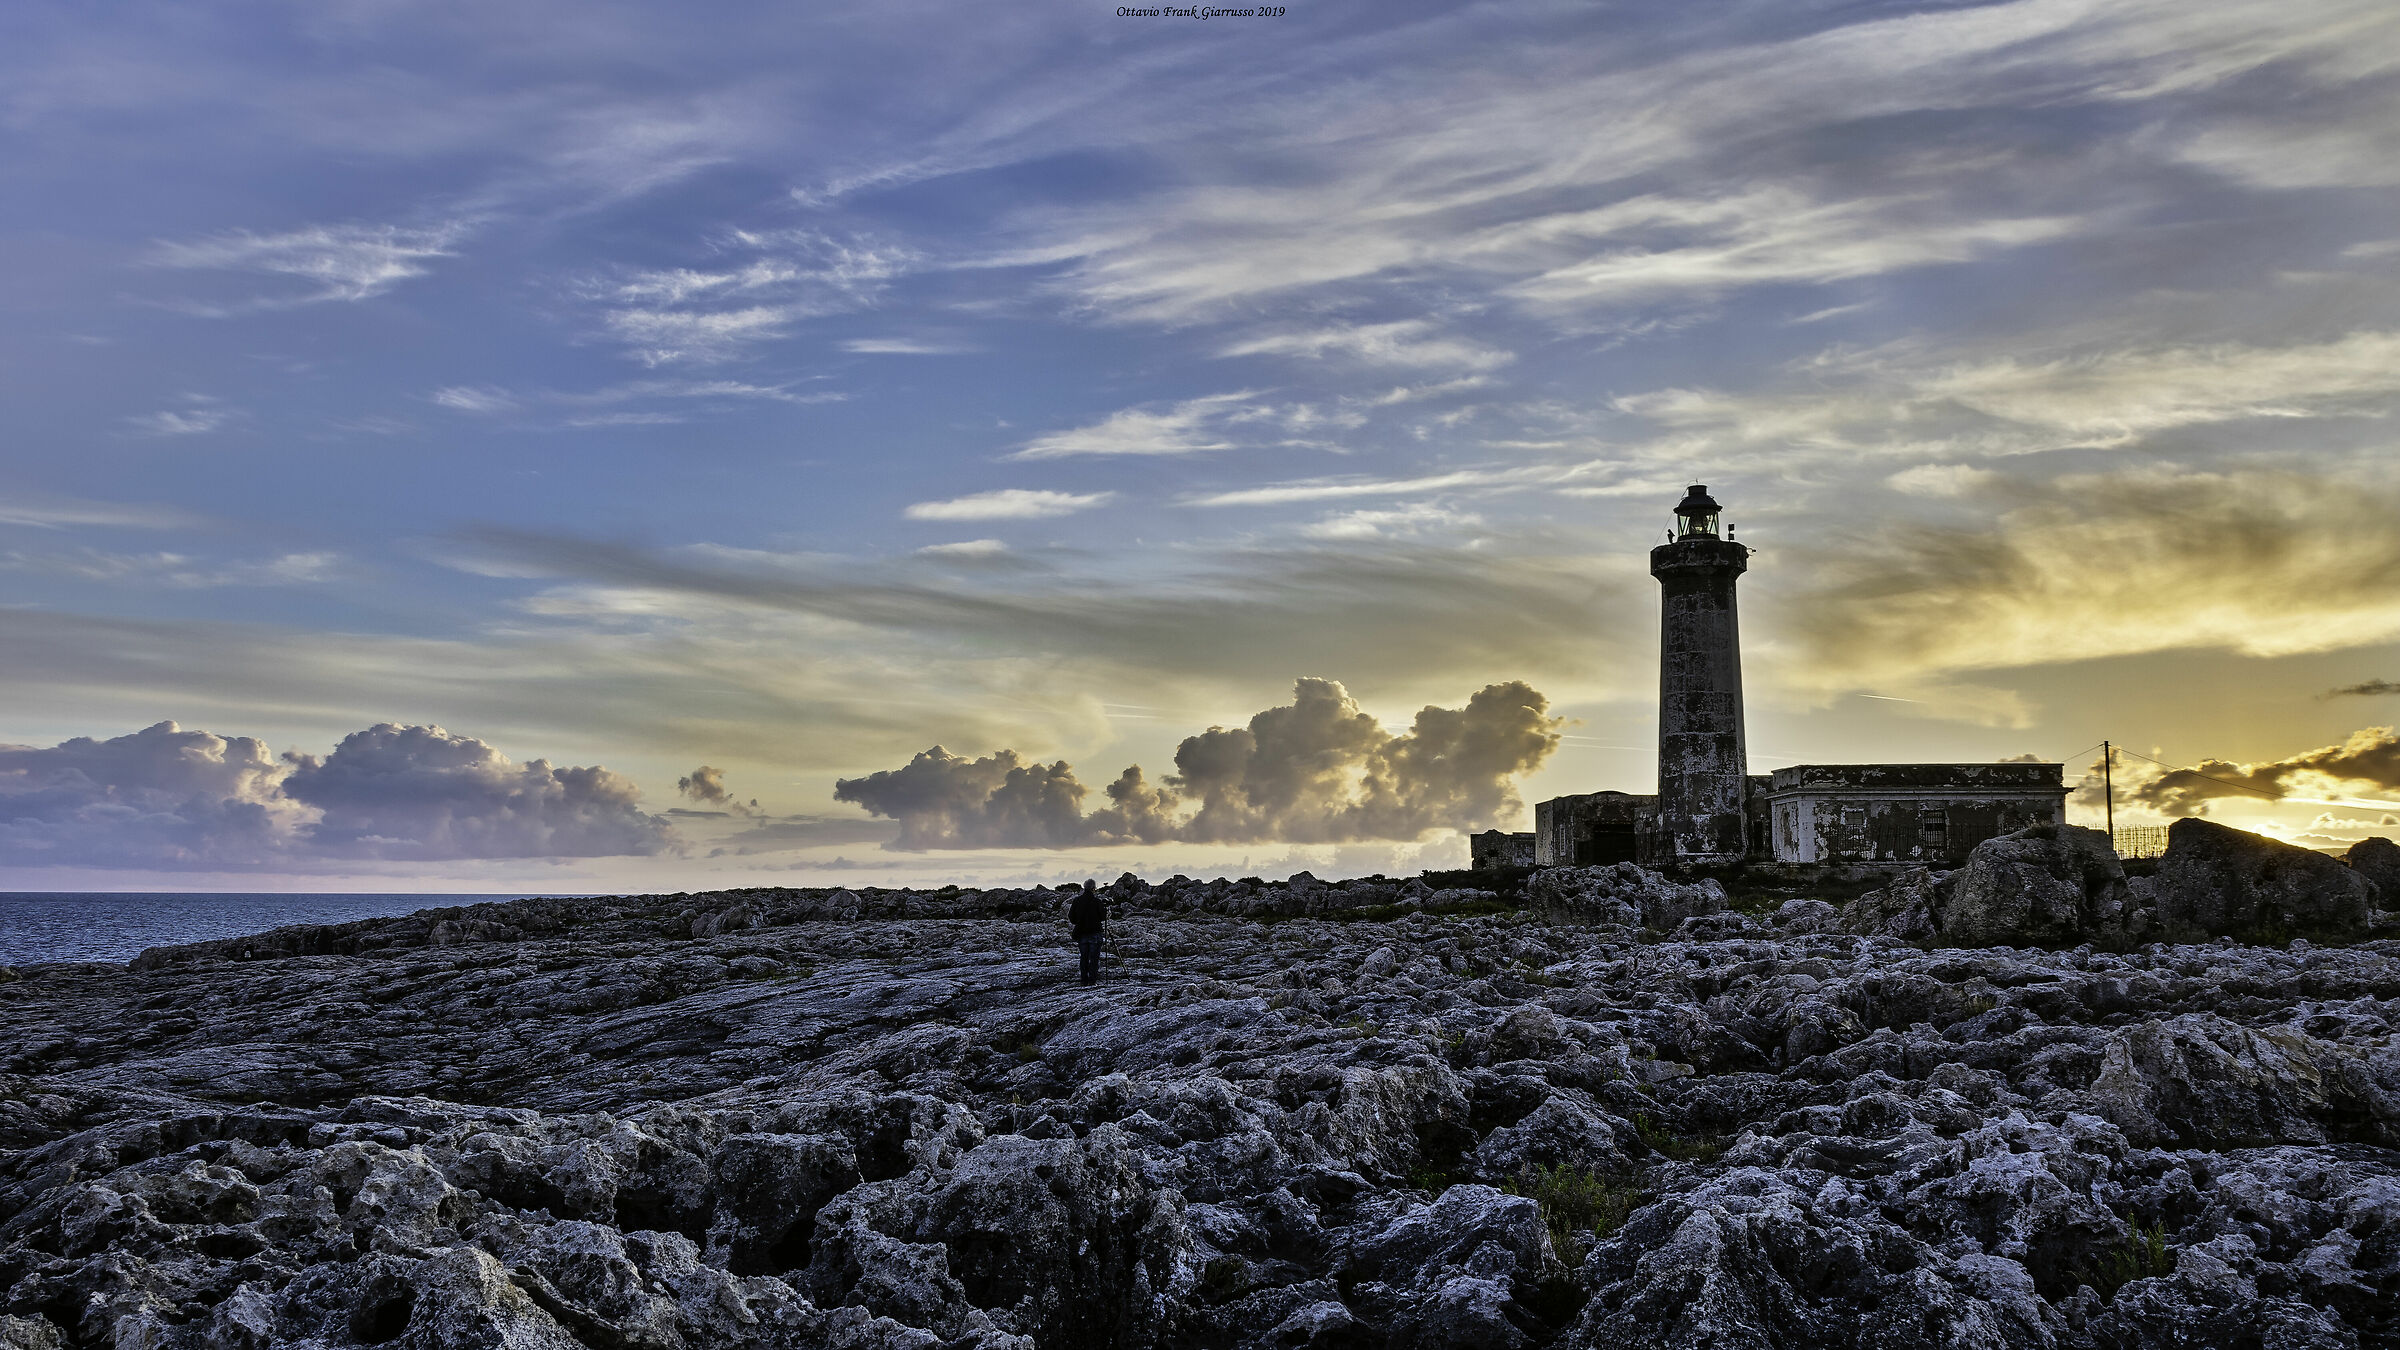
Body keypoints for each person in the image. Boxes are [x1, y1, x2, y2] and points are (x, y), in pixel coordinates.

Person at [1069, 879, 1106, 985]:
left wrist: (1078, 922)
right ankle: (1092, 980)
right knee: (1094, 958)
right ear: (1094, 889)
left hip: (1081, 933)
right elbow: (1103, 917)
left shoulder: (1077, 900)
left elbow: (1071, 917)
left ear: (1084, 888)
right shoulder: (1097, 902)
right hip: (1095, 933)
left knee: (1084, 958)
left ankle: (1083, 980)